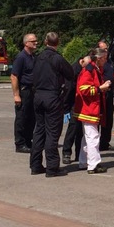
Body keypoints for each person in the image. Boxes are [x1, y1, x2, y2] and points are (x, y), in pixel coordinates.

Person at [29, 32, 75, 177]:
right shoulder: (57, 59)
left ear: (45, 42)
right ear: (58, 42)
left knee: (39, 131)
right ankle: (52, 167)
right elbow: (71, 74)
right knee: (52, 132)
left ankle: (35, 165)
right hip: (52, 97)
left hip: (38, 96)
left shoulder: (37, 58)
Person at [73, 48, 111, 174]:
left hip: (90, 107)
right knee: (93, 137)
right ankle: (93, 165)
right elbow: (84, 89)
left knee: (87, 137)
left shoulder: (95, 69)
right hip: (89, 108)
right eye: (105, 58)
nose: (106, 61)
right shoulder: (89, 70)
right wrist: (101, 88)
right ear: (99, 58)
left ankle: (84, 162)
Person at [10, 33, 38, 153]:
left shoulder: (33, 56)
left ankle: (28, 140)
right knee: (22, 117)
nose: (36, 43)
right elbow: (14, 76)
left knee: (31, 118)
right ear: (26, 43)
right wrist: (16, 95)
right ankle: (20, 143)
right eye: (33, 41)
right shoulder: (21, 57)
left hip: (32, 91)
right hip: (24, 91)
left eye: (36, 41)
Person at [61, 55, 88, 164]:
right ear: (81, 61)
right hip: (74, 103)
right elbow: (69, 90)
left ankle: (79, 154)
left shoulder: (85, 69)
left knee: (80, 131)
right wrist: (66, 109)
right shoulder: (74, 71)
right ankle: (66, 152)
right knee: (73, 128)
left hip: (82, 103)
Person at [97, 40, 114, 151]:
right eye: (103, 49)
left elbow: (113, 77)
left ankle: (105, 143)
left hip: (109, 93)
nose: (106, 51)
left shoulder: (109, 62)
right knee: (99, 119)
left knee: (109, 119)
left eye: (106, 49)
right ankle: (96, 143)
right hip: (100, 93)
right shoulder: (98, 62)